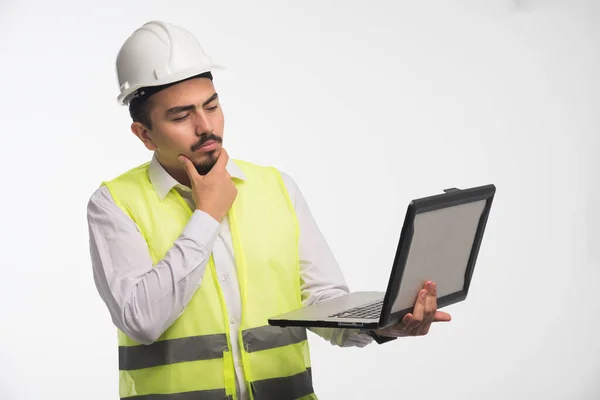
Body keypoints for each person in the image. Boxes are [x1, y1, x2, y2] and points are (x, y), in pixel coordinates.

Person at [87, 20, 452, 400]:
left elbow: (321, 301)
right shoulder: (115, 203)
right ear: (144, 134)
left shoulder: (277, 187)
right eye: (181, 116)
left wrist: (384, 325)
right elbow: (141, 321)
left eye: (212, 106)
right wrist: (207, 215)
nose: (205, 126)